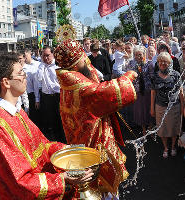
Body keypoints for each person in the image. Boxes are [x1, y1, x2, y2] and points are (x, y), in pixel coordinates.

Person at [0, 52, 94, 199]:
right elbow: (18, 182)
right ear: (6, 82)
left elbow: (44, 145)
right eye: (20, 73)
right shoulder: (1, 125)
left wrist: (72, 150)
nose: (25, 76)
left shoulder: (18, 112)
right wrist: (62, 179)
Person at [54, 39, 138, 193]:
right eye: (82, 58)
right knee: (101, 187)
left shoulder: (67, 84)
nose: (86, 60)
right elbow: (103, 92)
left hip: (79, 141)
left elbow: (92, 78)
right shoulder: (80, 88)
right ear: (74, 64)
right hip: (94, 145)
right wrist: (128, 77)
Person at [150, 52, 183, 158]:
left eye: (165, 61)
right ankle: (165, 148)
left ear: (169, 62)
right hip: (160, 106)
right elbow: (153, 92)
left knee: (174, 128)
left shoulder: (176, 74)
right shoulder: (154, 76)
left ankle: (173, 147)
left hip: (174, 106)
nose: (162, 63)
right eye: (160, 61)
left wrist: (183, 106)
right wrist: (152, 107)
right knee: (162, 128)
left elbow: (181, 92)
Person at [34, 46, 66, 143]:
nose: (46, 58)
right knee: (50, 121)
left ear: (53, 54)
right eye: (43, 56)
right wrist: (42, 66)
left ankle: (63, 140)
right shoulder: (41, 66)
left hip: (58, 96)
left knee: (61, 120)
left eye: (48, 55)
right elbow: (38, 79)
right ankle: (55, 141)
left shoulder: (58, 65)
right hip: (47, 98)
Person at [126, 46, 154, 135]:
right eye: (136, 55)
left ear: (144, 54)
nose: (138, 57)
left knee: (148, 109)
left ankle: (150, 127)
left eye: (140, 54)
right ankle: (143, 128)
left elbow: (152, 76)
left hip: (147, 91)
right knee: (140, 110)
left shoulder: (149, 64)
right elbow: (128, 76)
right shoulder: (131, 64)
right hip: (137, 90)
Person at [23, 48, 41, 126]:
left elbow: (37, 83)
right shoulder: (23, 67)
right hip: (26, 95)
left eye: (25, 55)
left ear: (30, 54)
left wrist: (37, 98)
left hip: (36, 93)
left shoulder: (38, 64)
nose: (24, 58)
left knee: (37, 116)